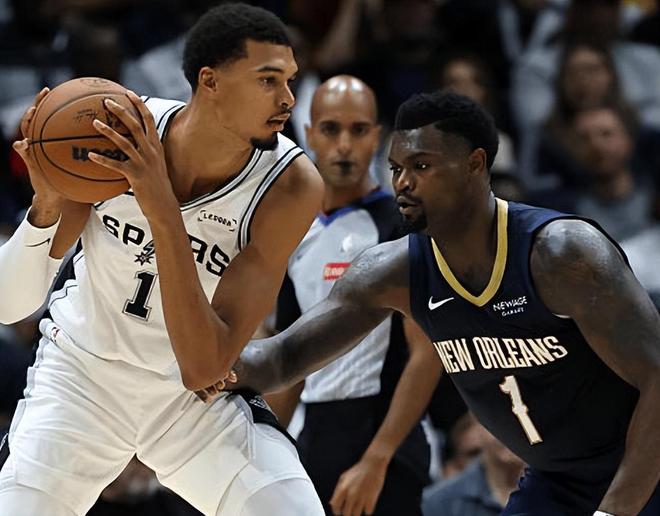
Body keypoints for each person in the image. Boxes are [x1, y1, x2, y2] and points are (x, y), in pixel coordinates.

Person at [231, 91, 660, 515]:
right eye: (396, 168)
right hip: (558, 479)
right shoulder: (393, 272)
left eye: (421, 166)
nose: (402, 182)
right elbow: (283, 359)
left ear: (475, 164)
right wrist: (204, 361)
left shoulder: (561, 254)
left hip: (642, 466)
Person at [0, 3, 326, 515]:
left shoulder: (291, 186)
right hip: (81, 378)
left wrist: (162, 211)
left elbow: (203, 367)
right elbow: (8, 306)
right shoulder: (114, 133)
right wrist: (45, 205)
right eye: (268, 80)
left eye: (289, 80)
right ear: (210, 81)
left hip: (190, 402)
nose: (287, 99)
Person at [266, 75, 441, 516]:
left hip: (385, 444)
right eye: (330, 129)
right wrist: (260, 450)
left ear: (377, 138)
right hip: (316, 438)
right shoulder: (293, 230)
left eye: (358, 130)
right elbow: (289, 360)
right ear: (309, 135)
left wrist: (377, 459)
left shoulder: (402, 226)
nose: (344, 145)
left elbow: (428, 354)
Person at [423, 413, 525, 516]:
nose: (509, 432)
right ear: (478, 425)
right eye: (498, 421)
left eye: (520, 419)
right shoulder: (439, 504)